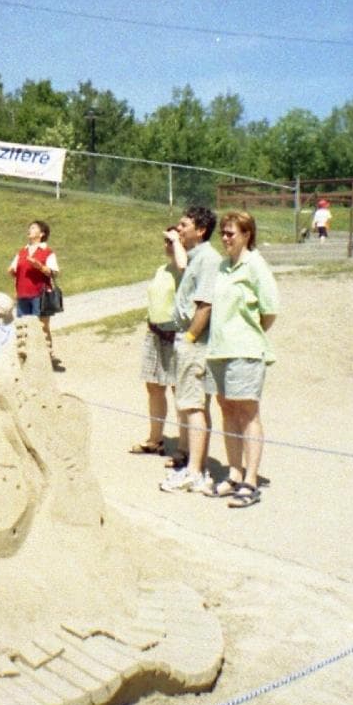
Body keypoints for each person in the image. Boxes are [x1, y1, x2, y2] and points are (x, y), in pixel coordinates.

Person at [204, 211, 279, 509]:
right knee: (227, 409)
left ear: (246, 235)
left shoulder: (256, 265)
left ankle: (250, 479)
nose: (224, 238)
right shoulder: (223, 267)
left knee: (248, 412)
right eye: (222, 233)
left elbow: (269, 310)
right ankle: (234, 472)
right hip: (219, 349)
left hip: (245, 349)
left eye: (230, 233)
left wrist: (246, 332)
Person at [158, 204, 220, 495]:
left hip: (194, 341)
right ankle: (192, 466)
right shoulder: (195, 258)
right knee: (188, 403)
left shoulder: (207, 260)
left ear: (201, 230)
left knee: (194, 406)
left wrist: (191, 338)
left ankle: (195, 471)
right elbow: (181, 266)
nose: (179, 228)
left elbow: (205, 304)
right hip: (186, 338)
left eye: (184, 225)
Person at [129, 227, 186, 458]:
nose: (168, 245)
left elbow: (184, 265)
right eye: (166, 240)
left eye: (173, 240)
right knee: (153, 387)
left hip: (174, 336)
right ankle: (155, 439)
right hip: (154, 335)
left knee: (178, 390)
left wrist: (178, 244)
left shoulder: (186, 268)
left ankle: (185, 446)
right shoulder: (162, 269)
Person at [8, 220, 60, 361]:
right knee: (22, 327)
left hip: (39, 294)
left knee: (41, 326)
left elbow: (54, 272)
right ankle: (25, 357)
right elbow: (14, 270)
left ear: (41, 234)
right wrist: (12, 271)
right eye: (29, 227)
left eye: (33, 228)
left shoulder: (47, 251)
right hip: (22, 294)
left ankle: (48, 354)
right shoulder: (22, 251)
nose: (29, 229)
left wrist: (40, 267)